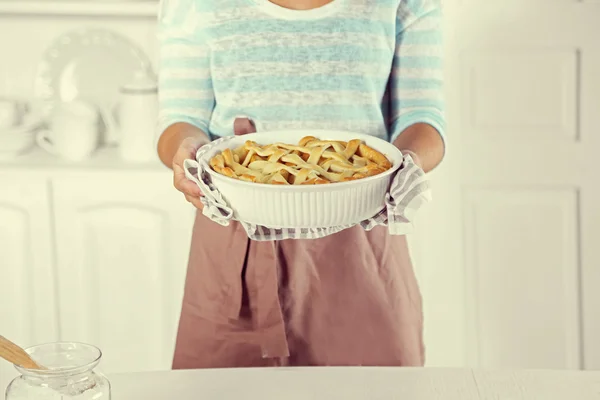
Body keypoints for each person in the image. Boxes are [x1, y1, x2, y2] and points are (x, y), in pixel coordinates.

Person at [156, 0, 445, 368]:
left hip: (363, 239)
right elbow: (180, 118)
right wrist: (186, 152)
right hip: (232, 246)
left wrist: (407, 164)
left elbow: (422, 117)